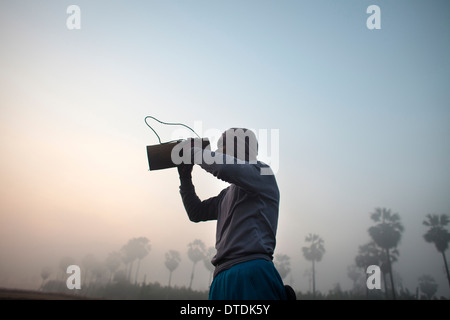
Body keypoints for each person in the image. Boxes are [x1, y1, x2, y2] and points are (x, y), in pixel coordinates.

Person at [177, 128, 288, 300]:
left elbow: (224, 167)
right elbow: (196, 212)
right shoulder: (226, 194)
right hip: (221, 277)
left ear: (240, 148)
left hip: (250, 270)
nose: (219, 152)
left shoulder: (263, 174)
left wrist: (193, 153)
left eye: (224, 146)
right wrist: (185, 179)